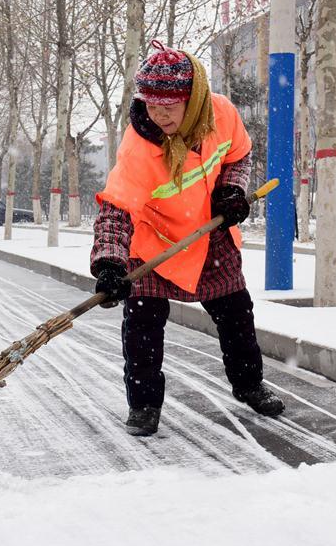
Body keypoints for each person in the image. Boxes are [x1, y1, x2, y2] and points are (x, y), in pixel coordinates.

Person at [91, 40, 284, 437]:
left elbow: (238, 156)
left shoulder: (222, 114)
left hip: (209, 234)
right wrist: (110, 263)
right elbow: (116, 209)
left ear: (192, 100)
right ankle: (144, 404)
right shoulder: (139, 149)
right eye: (151, 105)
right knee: (143, 325)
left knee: (236, 315)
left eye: (169, 106)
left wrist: (230, 192)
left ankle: (249, 385)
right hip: (153, 243)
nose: (159, 114)